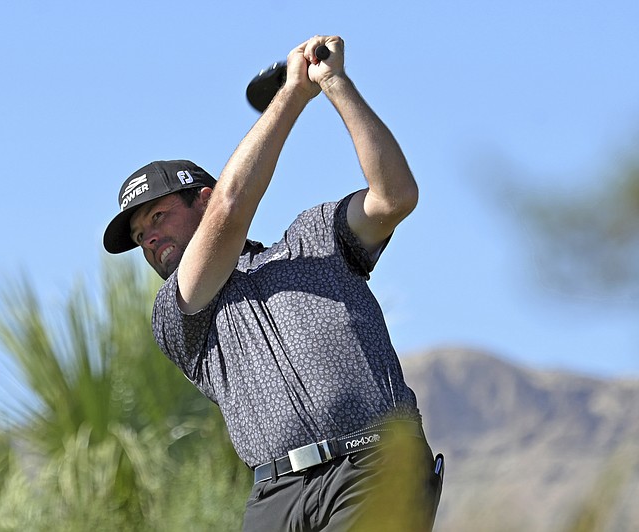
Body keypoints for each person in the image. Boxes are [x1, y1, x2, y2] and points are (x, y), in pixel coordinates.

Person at [103, 35, 442, 531]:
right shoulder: (178, 313)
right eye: (139, 236)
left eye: (157, 216)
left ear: (201, 198)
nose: (150, 238)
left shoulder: (317, 238)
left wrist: (332, 84)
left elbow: (394, 197)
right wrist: (291, 93)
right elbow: (231, 208)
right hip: (274, 496)